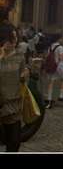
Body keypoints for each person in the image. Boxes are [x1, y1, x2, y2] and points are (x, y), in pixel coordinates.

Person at [0, 22, 29, 152]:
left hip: (14, 104)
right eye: (11, 38)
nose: (14, 41)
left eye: (15, 37)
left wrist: (25, 75)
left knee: (14, 142)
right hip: (0, 103)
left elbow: (22, 78)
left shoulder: (19, 56)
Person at [45, 34, 63, 109]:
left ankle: (49, 98)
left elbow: (47, 56)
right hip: (58, 65)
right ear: (58, 39)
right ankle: (61, 95)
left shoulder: (50, 47)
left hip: (51, 65)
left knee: (51, 82)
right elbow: (61, 57)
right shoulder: (60, 47)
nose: (62, 40)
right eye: (61, 38)